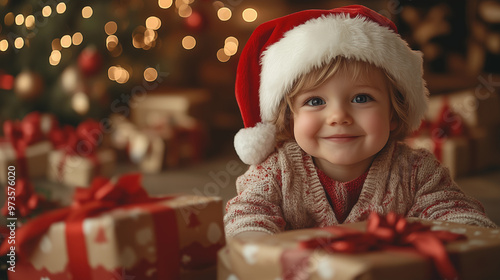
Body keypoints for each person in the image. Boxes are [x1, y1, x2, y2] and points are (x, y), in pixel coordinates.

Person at [225, 5, 497, 238]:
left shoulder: (415, 171)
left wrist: (463, 235)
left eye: (361, 98)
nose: (339, 117)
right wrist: (256, 246)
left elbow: (458, 214)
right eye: (316, 101)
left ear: (393, 112)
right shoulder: (274, 171)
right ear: (289, 117)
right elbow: (246, 216)